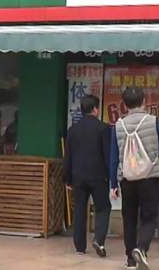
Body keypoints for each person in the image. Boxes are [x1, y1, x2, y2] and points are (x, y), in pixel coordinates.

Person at [110, 87, 159, 270]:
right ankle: (141, 248)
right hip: (150, 177)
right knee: (149, 216)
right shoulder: (155, 122)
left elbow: (114, 157)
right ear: (144, 102)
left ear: (125, 105)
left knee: (129, 218)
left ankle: (130, 260)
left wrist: (113, 183)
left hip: (127, 178)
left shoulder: (118, 126)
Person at [63, 95, 112, 258]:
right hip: (98, 177)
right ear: (95, 109)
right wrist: (112, 177)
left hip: (78, 176)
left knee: (79, 209)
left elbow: (68, 156)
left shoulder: (73, 130)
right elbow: (107, 155)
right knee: (103, 207)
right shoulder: (103, 128)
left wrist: (67, 178)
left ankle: (80, 246)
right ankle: (99, 239)